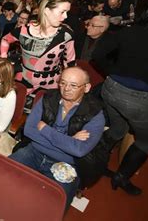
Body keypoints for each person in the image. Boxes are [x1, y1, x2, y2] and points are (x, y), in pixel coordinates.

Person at [10, 67, 105, 210]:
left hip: (67, 163)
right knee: (2, 175)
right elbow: (29, 130)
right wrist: (69, 140)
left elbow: (78, 150)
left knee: (53, 206)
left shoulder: (95, 114)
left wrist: (46, 130)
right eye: (63, 83)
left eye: (73, 85)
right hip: (33, 152)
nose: (66, 89)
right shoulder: (48, 98)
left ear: (86, 88)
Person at [93, 2, 148, 196]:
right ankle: (121, 177)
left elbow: (98, 54)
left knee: (117, 129)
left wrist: (112, 73)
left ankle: (96, 160)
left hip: (111, 88)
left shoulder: (127, 31)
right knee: (147, 141)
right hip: (139, 98)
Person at [0, 0, 76, 94]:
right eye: (62, 12)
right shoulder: (24, 31)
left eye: (67, 12)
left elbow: (70, 63)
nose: (65, 16)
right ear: (46, 11)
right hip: (24, 81)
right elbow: (5, 39)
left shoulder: (66, 34)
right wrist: (3, 57)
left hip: (51, 85)